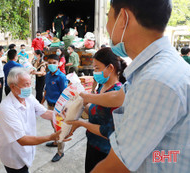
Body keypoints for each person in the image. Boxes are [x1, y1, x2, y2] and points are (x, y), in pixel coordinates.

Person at [79, 0, 190, 172]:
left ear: (123, 18)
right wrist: (85, 97)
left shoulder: (155, 81)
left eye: (109, 17)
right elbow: (120, 96)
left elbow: (116, 166)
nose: (108, 26)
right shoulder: (156, 67)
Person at [66, 48, 127, 173]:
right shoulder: (102, 87)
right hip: (92, 145)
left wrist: (81, 123)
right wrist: (76, 103)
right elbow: (96, 111)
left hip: (106, 152)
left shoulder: (117, 94)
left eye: (97, 68)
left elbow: (109, 132)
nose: (95, 72)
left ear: (110, 68)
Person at [0, 67, 68, 173]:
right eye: (26, 85)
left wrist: (60, 115)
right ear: (13, 87)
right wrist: (51, 137)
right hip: (14, 156)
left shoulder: (28, 97)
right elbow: (22, 140)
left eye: (30, 84)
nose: (29, 88)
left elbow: (44, 112)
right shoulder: (6, 109)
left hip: (27, 151)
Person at [41, 54, 68, 162]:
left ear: (58, 64)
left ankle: (60, 152)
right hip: (50, 105)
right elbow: (46, 90)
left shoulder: (61, 77)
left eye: (54, 63)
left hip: (59, 108)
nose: (52, 65)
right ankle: (56, 142)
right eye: (50, 63)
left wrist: (64, 110)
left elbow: (65, 94)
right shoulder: (47, 75)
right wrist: (41, 102)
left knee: (60, 129)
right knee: (54, 126)